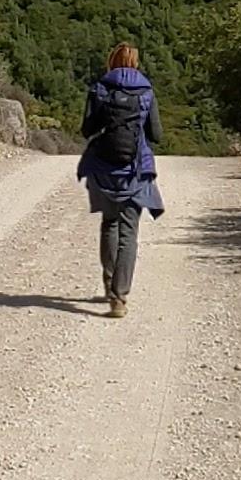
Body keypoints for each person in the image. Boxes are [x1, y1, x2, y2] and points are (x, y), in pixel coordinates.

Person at [78, 44, 165, 317]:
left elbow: (87, 129)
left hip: (104, 169)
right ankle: (119, 297)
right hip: (135, 170)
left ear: (111, 62)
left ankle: (108, 284)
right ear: (136, 63)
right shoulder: (146, 92)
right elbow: (157, 134)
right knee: (129, 232)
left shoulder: (100, 89)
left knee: (110, 223)